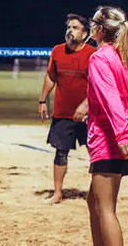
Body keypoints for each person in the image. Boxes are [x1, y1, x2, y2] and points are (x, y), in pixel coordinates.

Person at [86, 6, 128, 246]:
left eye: (92, 23)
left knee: (107, 209)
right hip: (125, 137)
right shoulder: (125, 58)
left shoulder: (100, 57)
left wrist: (121, 134)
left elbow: (110, 98)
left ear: (100, 30)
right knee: (94, 202)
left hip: (111, 140)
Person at [38, 14, 95, 204]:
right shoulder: (57, 51)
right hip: (63, 113)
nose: (70, 31)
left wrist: (86, 105)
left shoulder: (93, 54)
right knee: (60, 152)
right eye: (69, 27)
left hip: (90, 114)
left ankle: (97, 193)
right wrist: (42, 100)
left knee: (95, 152)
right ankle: (57, 193)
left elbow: (99, 85)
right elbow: (51, 77)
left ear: (85, 33)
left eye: (75, 28)